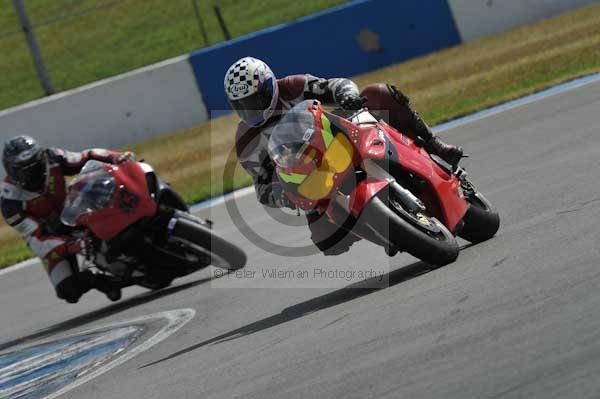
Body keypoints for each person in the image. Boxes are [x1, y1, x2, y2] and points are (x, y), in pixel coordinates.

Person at [225, 56, 463, 255]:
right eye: (242, 105)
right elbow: (261, 186)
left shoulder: (293, 86)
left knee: (378, 93)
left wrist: (347, 95)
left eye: (255, 100)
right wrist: (280, 194)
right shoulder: (246, 139)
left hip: (338, 137)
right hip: (311, 174)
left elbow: (336, 85)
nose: (251, 109)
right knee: (326, 240)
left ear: (270, 86)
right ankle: (388, 235)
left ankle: (435, 146)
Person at [1, 135, 134, 303]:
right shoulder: (10, 201)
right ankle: (98, 280)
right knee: (68, 290)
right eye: (24, 170)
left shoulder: (53, 157)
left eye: (35, 167)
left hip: (77, 210)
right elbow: (36, 240)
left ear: (42, 158)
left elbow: (88, 156)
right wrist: (71, 245)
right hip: (53, 236)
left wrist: (115, 157)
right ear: (11, 169)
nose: (30, 174)